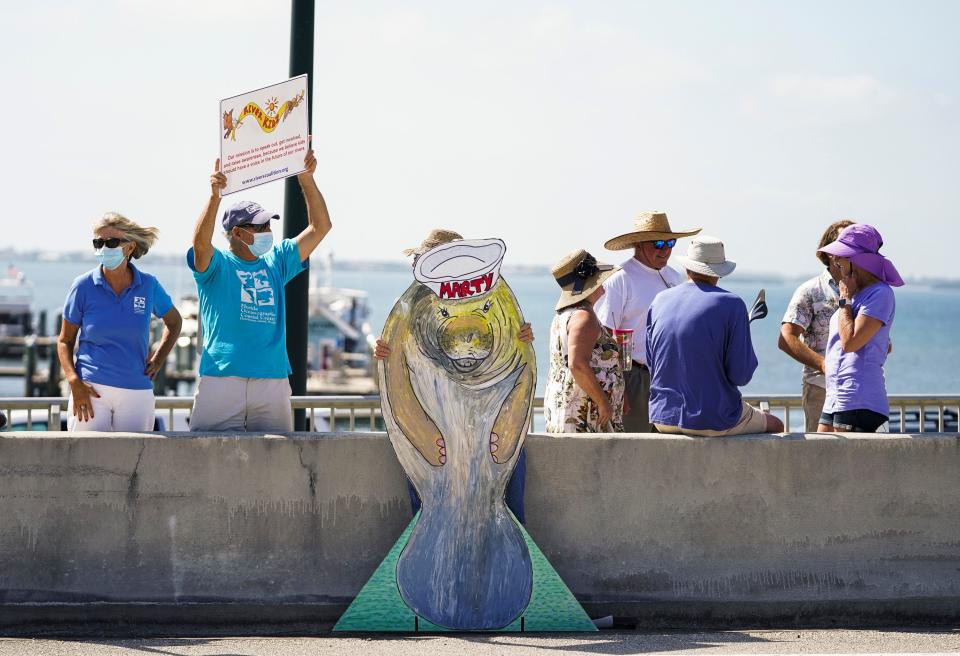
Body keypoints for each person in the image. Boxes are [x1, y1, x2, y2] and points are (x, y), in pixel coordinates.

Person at [373, 228, 533, 521]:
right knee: (430, 502)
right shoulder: (412, 307)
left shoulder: (494, 297)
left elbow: (520, 363)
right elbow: (396, 374)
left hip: (485, 422)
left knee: (506, 497)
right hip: (437, 418)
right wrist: (385, 353)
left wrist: (520, 336)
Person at [187, 148, 331, 431]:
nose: (268, 230)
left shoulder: (275, 262)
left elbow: (320, 227)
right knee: (203, 459)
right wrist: (215, 197)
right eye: (259, 226)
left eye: (268, 224)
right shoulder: (218, 265)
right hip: (222, 378)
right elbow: (200, 247)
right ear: (238, 233)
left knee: (276, 464)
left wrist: (306, 179)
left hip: (272, 379)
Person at [647, 236, 783, 436]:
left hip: (662, 416)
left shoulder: (659, 301)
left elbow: (653, 363)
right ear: (719, 272)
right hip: (711, 418)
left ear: (687, 268)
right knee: (777, 425)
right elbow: (741, 375)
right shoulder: (732, 305)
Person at [58, 213, 182, 431]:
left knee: (136, 464)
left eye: (111, 242)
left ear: (130, 247)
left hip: (137, 391)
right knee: (85, 462)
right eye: (98, 242)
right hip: (91, 389)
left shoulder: (149, 285)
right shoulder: (82, 286)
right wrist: (73, 381)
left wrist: (159, 359)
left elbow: (174, 322)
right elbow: (64, 341)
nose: (104, 248)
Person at [595, 212, 700, 432]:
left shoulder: (673, 276)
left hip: (669, 376)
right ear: (639, 245)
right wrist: (621, 385)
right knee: (635, 449)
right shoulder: (621, 279)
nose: (666, 250)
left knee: (667, 450)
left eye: (670, 243)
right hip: (634, 376)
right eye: (658, 243)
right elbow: (609, 335)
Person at [817, 224, 903, 433]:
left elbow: (850, 343)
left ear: (856, 260)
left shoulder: (880, 294)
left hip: (858, 400)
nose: (836, 263)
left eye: (841, 258)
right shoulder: (856, 293)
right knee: (820, 463)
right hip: (836, 397)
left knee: (843, 466)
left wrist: (844, 301)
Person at [779, 220, 854, 431]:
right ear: (831, 252)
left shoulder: (865, 291)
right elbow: (786, 338)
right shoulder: (811, 290)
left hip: (859, 391)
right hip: (821, 389)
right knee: (823, 459)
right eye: (848, 244)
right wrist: (823, 365)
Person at [543, 249, 624, 433]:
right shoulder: (583, 316)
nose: (603, 284)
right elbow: (577, 364)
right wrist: (603, 402)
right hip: (586, 413)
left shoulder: (565, 315)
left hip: (570, 408)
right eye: (599, 279)